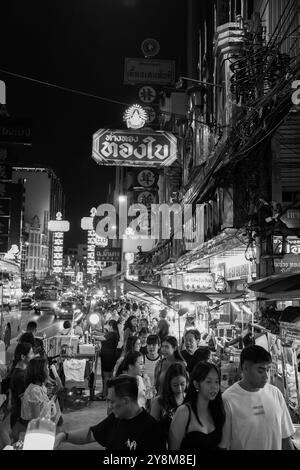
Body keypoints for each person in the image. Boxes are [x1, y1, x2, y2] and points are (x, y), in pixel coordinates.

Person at [54, 375, 166, 450]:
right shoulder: (116, 418)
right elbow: (93, 433)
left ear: (126, 400)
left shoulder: (151, 429)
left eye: (112, 402)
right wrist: (63, 436)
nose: (110, 406)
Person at [220, 345, 295, 450]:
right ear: (245, 367)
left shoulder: (275, 393)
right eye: (261, 371)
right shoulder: (228, 399)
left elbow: (285, 437)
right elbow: (224, 444)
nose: (266, 376)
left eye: (268, 370)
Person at [169, 362, 225, 450]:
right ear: (196, 384)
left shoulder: (217, 410)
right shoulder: (184, 412)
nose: (214, 387)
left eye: (217, 381)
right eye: (208, 382)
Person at [151, 362, 188, 442]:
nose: (179, 389)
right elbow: (151, 428)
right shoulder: (159, 401)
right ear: (169, 383)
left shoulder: (189, 399)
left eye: (182, 384)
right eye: (175, 385)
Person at [20, 357, 57, 430]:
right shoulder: (35, 391)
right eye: (47, 368)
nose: (48, 370)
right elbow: (35, 421)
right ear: (40, 371)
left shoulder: (40, 386)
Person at [9, 342, 35, 441]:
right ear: (23, 356)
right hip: (20, 419)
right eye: (31, 353)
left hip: (19, 416)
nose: (33, 356)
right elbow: (24, 401)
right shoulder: (20, 376)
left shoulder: (22, 370)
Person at [93, 320, 120, 399]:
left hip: (108, 357)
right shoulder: (112, 333)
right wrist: (96, 333)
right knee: (107, 375)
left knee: (106, 375)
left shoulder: (112, 334)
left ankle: (105, 394)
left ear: (111, 326)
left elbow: (102, 338)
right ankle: (106, 393)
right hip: (109, 356)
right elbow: (104, 335)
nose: (106, 326)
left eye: (107, 325)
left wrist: (93, 336)